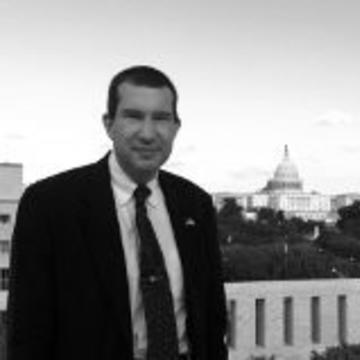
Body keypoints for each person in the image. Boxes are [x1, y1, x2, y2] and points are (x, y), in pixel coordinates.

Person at [7, 66, 228, 360]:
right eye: (133, 116)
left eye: (161, 118)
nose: (148, 134)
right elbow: (28, 330)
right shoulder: (50, 204)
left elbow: (211, 317)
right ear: (108, 124)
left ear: (176, 127)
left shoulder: (195, 204)